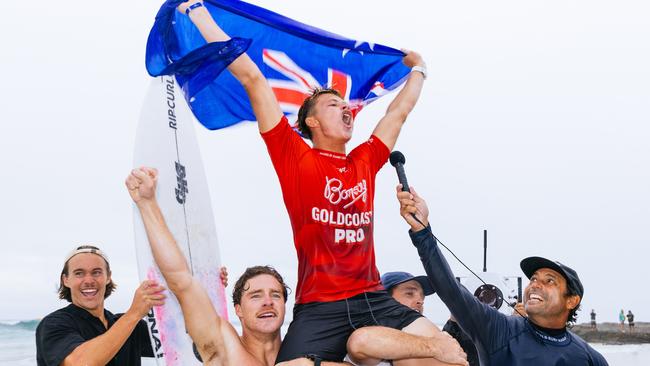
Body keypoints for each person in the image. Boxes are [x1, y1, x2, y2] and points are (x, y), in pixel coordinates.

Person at [176, 2, 465, 365]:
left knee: (445, 356)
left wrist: (419, 68)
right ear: (311, 122)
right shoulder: (293, 155)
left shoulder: (364, 159)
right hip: (319, 306)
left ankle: (428, 348)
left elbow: (398, 113)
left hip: (371, 297)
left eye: (346, 105)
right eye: (333, 104)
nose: (345, 109)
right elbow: (252, 77)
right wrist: (200, 13)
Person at [127, 167, 466, 366]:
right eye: (255, 295)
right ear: (238, 310)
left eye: (275, 294)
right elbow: (181, 280)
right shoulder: (223, 345)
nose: (267, 301)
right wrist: (147, 204)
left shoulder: (310, 348)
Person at [397, 186, 609, 365]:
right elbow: (450, 289)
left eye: (549, 281)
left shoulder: (591, 358)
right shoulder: (499, 329)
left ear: (571, 300)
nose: (535, 284)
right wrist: (422, 232)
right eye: (533, 279)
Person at [35, 245, 166, 366]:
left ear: (108, 277)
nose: (89, 281)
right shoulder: (53, 324)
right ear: (66, 280)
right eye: (79, 273)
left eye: (96, 272)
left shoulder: (131, 326)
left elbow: (177, 343)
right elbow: (80, 363)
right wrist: (134, 313)